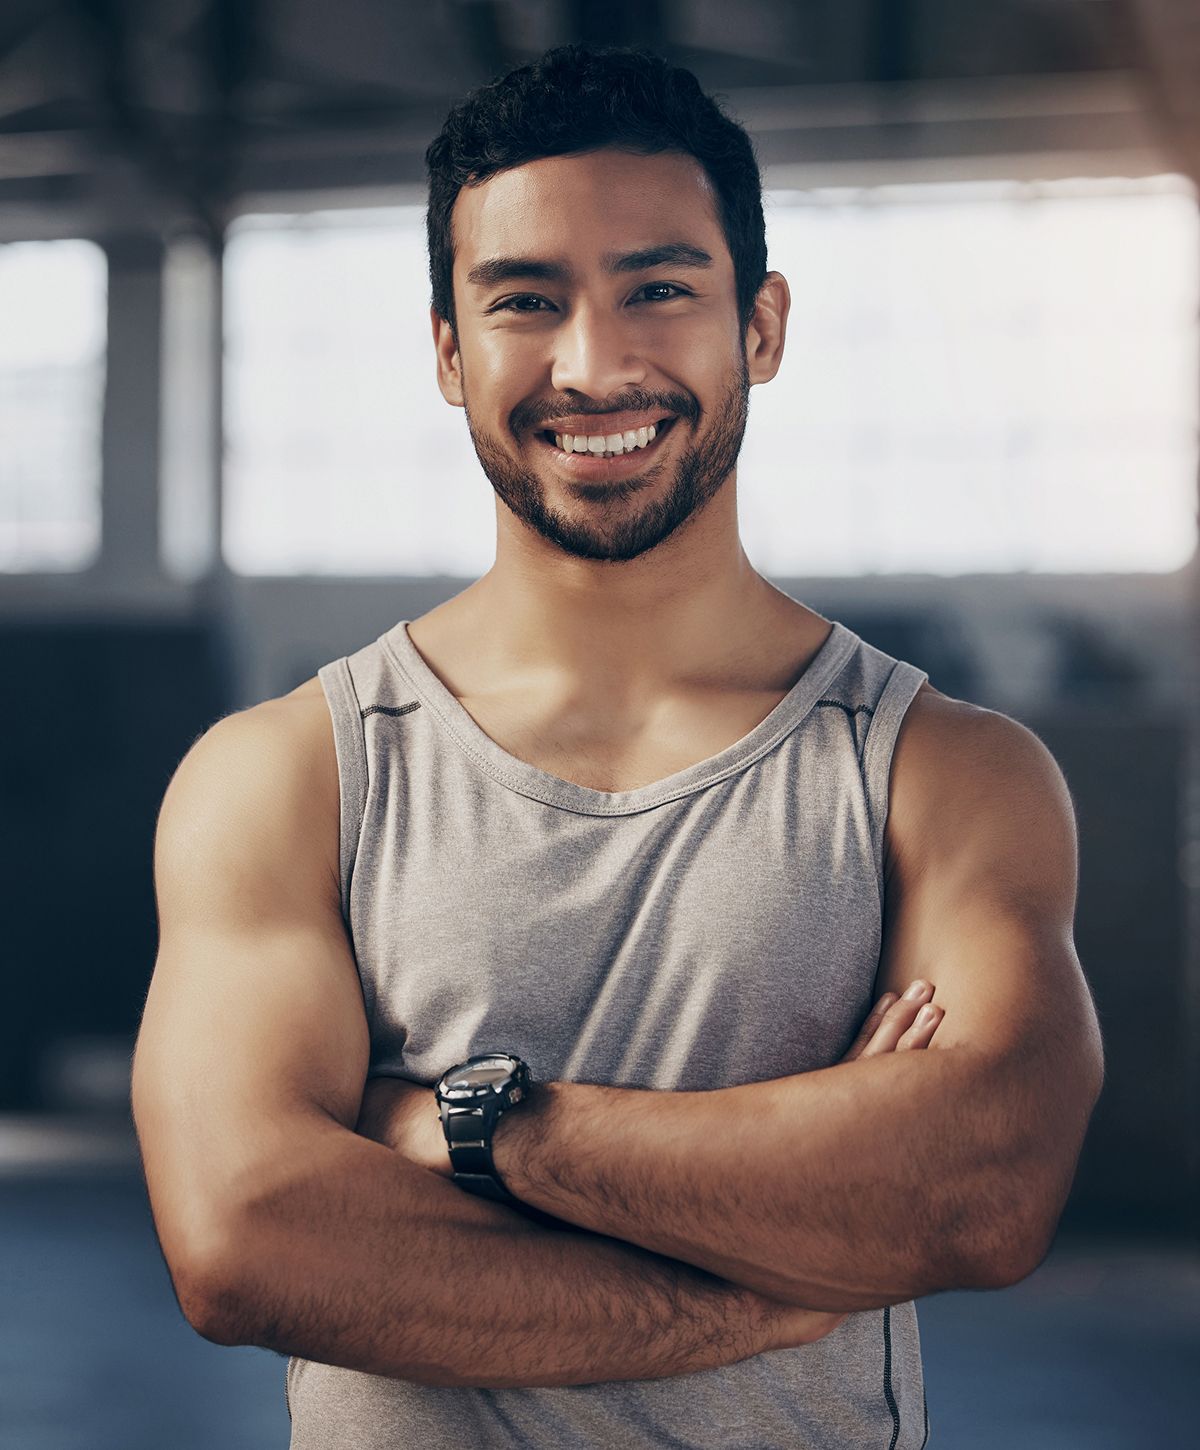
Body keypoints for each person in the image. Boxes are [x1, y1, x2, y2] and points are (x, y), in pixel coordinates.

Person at [131, 44, 1105, 1450]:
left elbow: (981, 1192)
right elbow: (247, 1240)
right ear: (449, 351)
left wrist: (470, 1128)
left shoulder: (943, 773)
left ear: (759, 326)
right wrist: (771, 1280)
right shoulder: (288, 776)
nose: (594, 365)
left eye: (659, 288)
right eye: (527, 302)